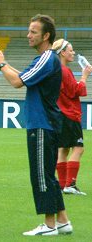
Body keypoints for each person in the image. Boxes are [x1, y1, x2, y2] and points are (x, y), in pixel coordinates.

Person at [0, 14, 73, 236]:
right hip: (47, 123)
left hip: (42, 124)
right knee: (48, 174)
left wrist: (0, 63)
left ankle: (49, 225)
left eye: (33, 32)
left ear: (46, 36)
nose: (28, 35)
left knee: (41, 175)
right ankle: (63, 221)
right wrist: (2, 63)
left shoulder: (47, 58)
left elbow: (17, 82)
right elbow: (23, 77)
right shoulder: (44, 60)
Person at [52, 39, 92, 195]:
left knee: (63, 149)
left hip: (60, 114)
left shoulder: (56, 70)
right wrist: (84, 76)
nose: (73, 52)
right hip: (69, 114)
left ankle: (63, 186)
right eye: (70, 50)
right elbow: (76, 90)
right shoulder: (64, 70)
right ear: (62, 52)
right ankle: (70, 184)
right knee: (78, 148)